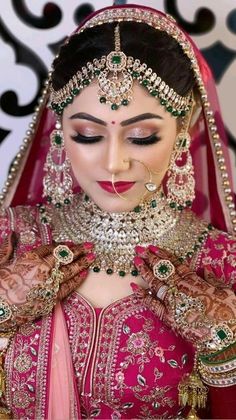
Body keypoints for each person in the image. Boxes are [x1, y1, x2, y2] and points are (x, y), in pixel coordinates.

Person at [0, 4, 235, 419]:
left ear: (185, 128)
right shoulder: (12, 241)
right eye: (87, 134)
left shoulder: (218, 263)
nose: (113, 163)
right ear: (60, 131)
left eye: (142, 136)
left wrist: (225, 350)